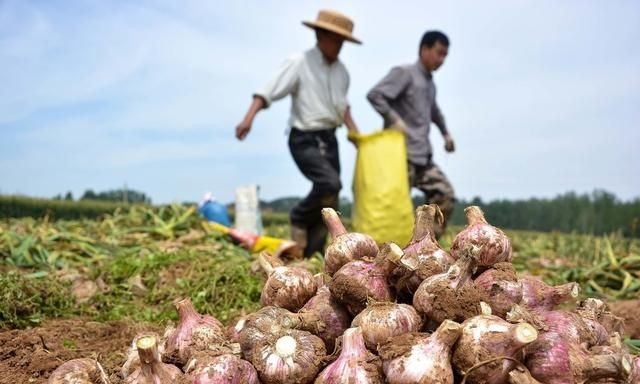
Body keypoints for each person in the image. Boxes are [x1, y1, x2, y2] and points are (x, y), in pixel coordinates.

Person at [234, 10, 361, 257]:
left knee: (331, 198)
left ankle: (312, 256)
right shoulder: (300, 62)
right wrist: (248, 119)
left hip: (329, 138)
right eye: (335, 39)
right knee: (329, 183)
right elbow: (268, 90)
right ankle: (298, 215)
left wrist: (355, 134)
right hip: (304, 137)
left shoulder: (342, 73)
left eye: (343, 41)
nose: (339, 46)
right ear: (319, 34)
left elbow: (343, 106)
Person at [367, 30, 455, 238]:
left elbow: (434, 111)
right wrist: (394, 120)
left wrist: (446, 134)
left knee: (445, 195)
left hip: (422, 155)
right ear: (424, 49)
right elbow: (376, 95)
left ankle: (425, 247)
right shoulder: (404, 73)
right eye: (439, 53)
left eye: (445, 56)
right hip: (400, 156)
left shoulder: (430, 83)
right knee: (394, 208)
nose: (441, 60)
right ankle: (385, 253)